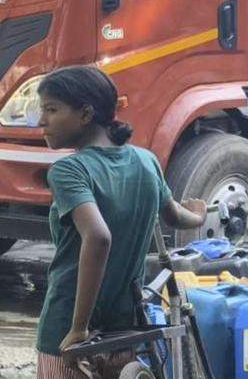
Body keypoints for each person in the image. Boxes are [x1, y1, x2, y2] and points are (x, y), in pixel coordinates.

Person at [36, 66, 208, 378]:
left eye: (51, 109)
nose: (41, 122)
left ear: (86, 113)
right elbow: (174, 215)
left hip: (68, 331)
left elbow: (99, 237)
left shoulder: (70, 171)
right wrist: (199, 214)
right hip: (123, 330)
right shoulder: (145, 160)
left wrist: (79, 328)